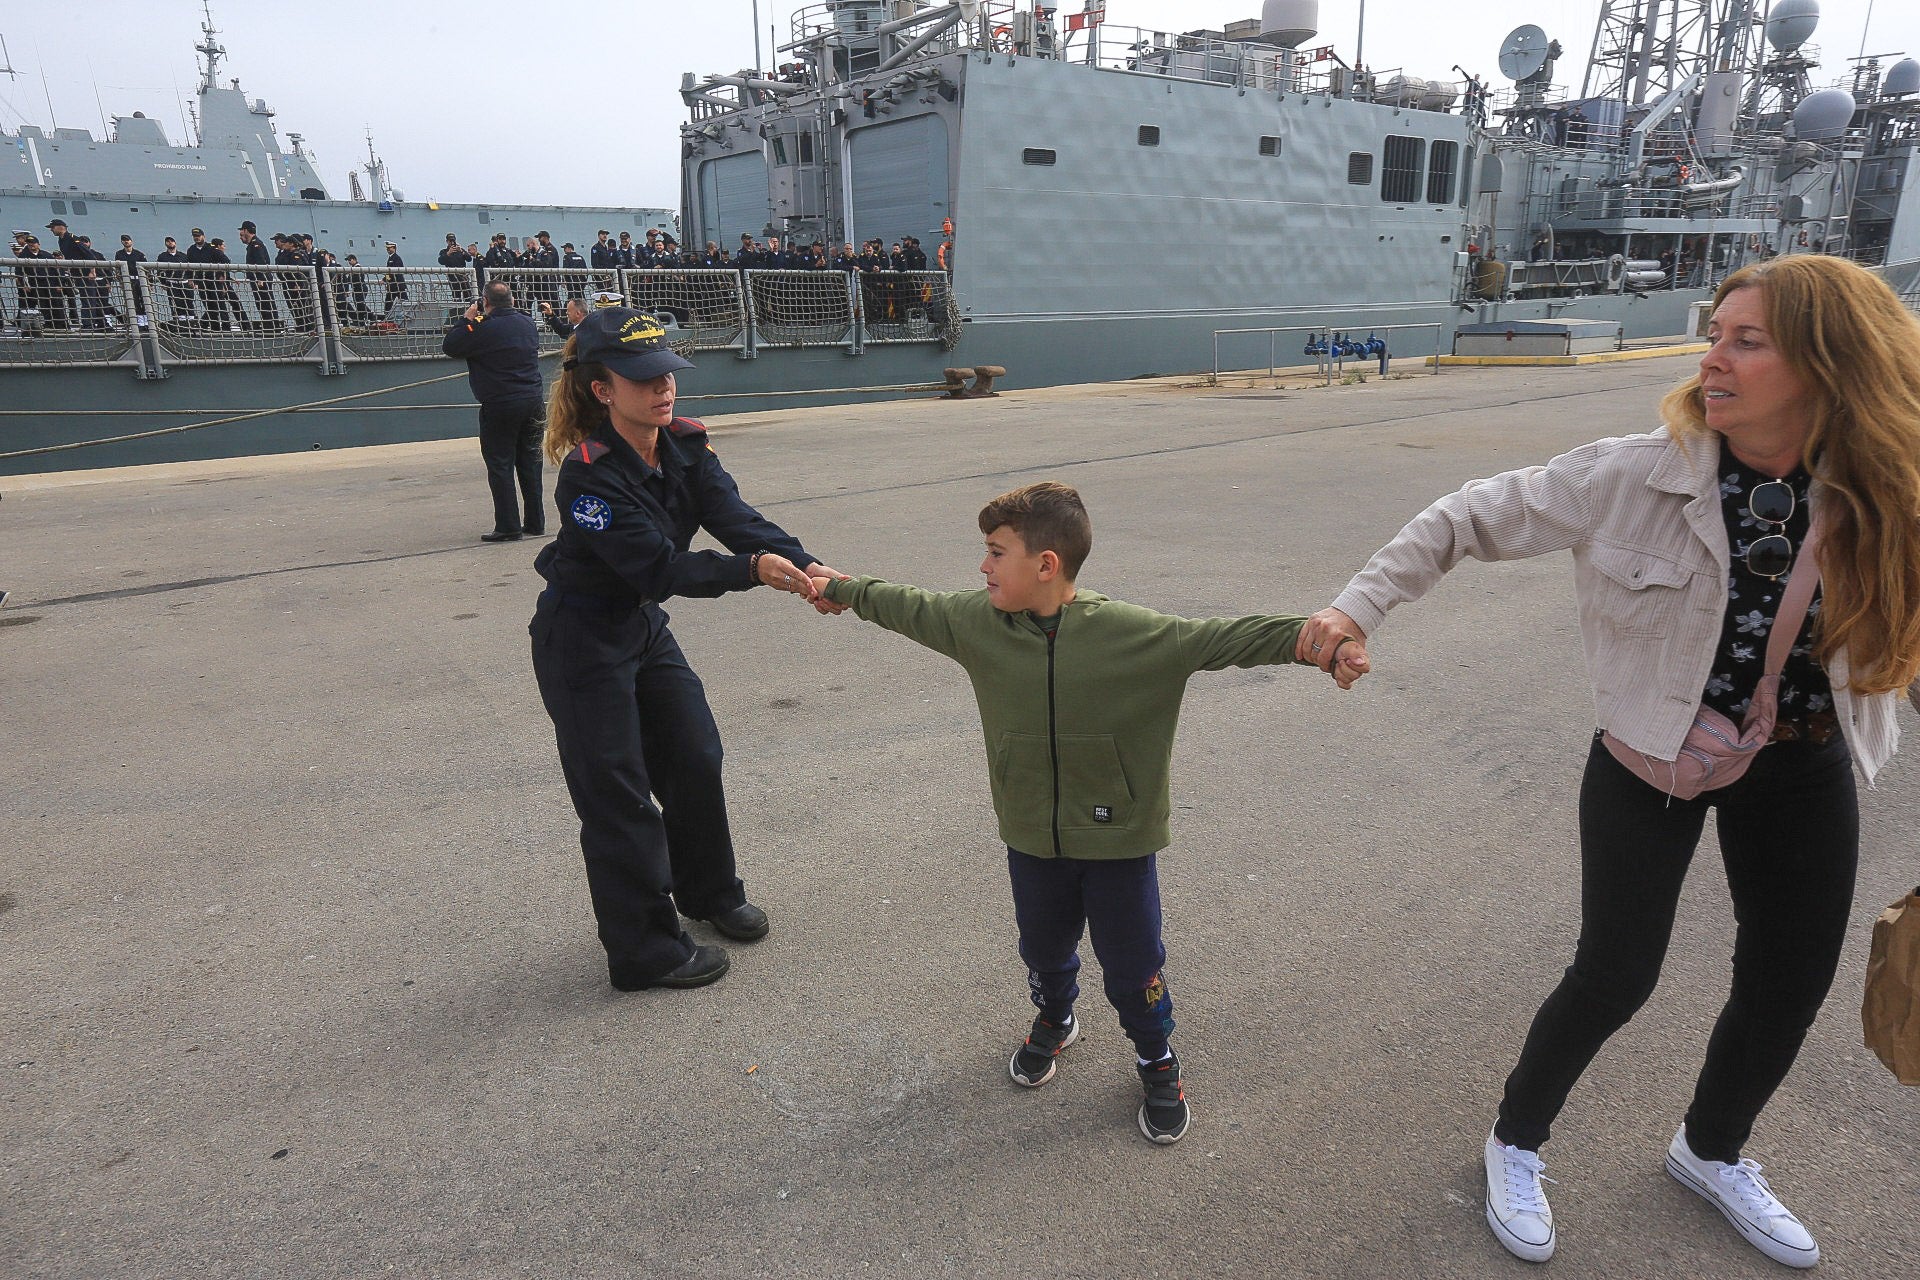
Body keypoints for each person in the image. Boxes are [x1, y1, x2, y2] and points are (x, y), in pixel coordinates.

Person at [1296, 254, 1920, 1269]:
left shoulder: (1887, 495)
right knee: (1615, 972)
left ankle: (1712, 1150)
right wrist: (1353, 605)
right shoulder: (1635, 472)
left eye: (1746, 339)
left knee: (1788, 980)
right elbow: (1468, 515)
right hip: (1649, 760)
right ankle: (1515, 1139)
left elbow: (1909, 642)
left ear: (1825, 359)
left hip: (1803, 763)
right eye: (1715, 331)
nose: (1711, 355)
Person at [812, 482, 1368, 1144]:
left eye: (996, 553)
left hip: (1117, 845)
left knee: (1134, 969)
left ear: (1046, 564)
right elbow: (909, 605)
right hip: (1030, 838)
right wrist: (843, 590)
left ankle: (1156, 1057)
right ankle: (1055, 1016)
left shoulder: (1135, 636)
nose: (983, 568)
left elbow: (1224, 638)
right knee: (1043, 949)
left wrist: (1320, 645)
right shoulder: (975, 624)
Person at [529, 306, 845, 990]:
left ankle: (707, 892)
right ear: (602, 389)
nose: (663, 388)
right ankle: (644, 951)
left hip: (640, 629)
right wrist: (753, 572)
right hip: (582, 638)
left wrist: (810, 567)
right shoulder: (588, 476)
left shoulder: (686, 445)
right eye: (642, 378)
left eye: (667, 372)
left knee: (695, 754)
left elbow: (736, 518)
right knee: (618, 796)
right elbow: (657, 568)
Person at [442, 280, 546, 542]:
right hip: (533, 400)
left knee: (500, 465)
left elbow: (451, 346)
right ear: (511, 300)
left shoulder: (483, 328)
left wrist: (467, 319)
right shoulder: (527, 323)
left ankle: (508, 525)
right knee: (530, 461)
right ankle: (535, 522)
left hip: (501, 404)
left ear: (484, 302)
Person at [237, 222, 282, 331]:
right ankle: (269, 327)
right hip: (257, 279)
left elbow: (261, 262)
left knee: (266, 303)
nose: (241, 234)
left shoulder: (256, 244)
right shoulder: (252, 244)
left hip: (261, 280)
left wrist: (261, 278)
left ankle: (272, 328)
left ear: (246, 230)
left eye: (242, 231)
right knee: (262, 304)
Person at [381, 242, 407, 317]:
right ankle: (387, 317)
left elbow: (394, 272)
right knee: (389, 303)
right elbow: (389, 272)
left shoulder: (396, 258)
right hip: (393, 286)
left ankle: (388, 316)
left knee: (404, 301)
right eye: (387, 248)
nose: (388, 250)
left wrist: (385, 279)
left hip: (397, 285)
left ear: (394, 248)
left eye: (389, 248)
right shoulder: (391, 258)